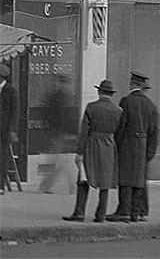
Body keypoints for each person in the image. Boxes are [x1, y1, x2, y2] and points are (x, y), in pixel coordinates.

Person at [63, 80, 122, 223]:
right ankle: (101, 214)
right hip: (109, 146)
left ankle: (79, 212)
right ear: (111, 94)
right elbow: (120, 132)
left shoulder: (91, 107)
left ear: (99, 92)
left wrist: (79, 152)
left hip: (92, 145)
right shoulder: (118, 110)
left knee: (84, 178)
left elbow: (84, 132)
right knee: (105, 182)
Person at [108, 71, 159, 223]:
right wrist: (150, 151)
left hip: (127, 144)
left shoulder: (126, 101)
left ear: (132, 84)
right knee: (139, 180)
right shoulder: (150, 105)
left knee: (125, 179)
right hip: (143, 146)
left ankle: (124, 210)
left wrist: (116, 143)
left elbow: (121, 125)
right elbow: (154, 131)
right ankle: (138, 212)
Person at [39, 74, 79, 194]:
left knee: (61, 162)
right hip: (60, 133)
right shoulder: (62, 97)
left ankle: (48, 186)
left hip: (60, 133)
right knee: (62, 162)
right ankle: (70, 186)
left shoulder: (60, 97)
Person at [0, 63, 19, 196]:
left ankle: (0, 185)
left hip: (4, 130)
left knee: (2, 157)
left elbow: (15, 112)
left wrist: (12, 130)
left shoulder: (11, 91)